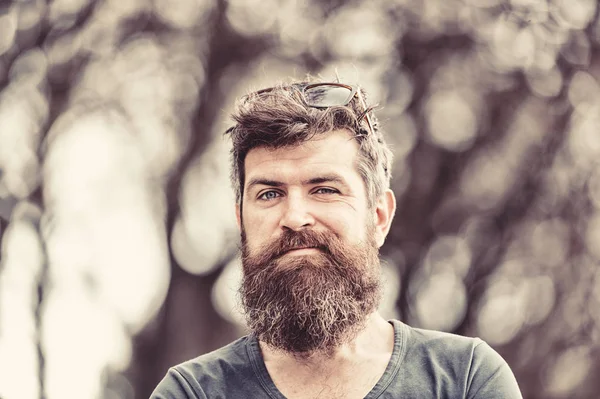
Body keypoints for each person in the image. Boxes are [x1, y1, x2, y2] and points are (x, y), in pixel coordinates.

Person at [150, 80, 523, 398]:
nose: (295, 218)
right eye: (269, 194)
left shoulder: (466, 380)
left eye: (325, 189)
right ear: (241, 222)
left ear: (379, 217)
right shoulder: (192, 392)